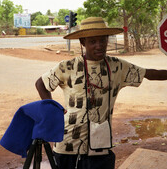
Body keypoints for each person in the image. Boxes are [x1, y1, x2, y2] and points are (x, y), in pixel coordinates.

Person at [35, 17, 167, 169]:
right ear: (83, 43)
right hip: (67, 145)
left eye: (103, 41)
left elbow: (150, 74)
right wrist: (52, 110)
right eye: (92, 41)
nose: (99, 46)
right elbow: (40, 83)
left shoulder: (117, 66)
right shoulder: (67, 66)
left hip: (100, 147)